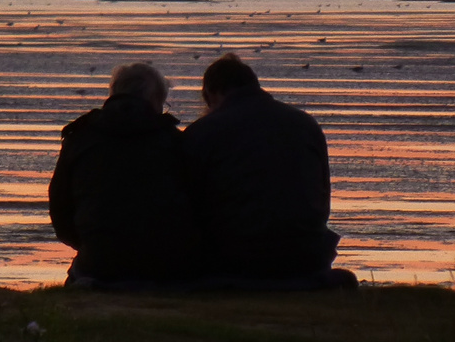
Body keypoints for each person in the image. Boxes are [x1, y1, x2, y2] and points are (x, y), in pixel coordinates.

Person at [182, 53, 346, 283]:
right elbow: (322, 198)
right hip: (307, 255)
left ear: (211, 93)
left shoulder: (202, 132)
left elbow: (188, 206)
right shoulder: (304, 124)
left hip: (234, 259)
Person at [47, 62, 201, 284]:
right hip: (164, 265)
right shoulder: (174, 141)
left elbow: (60, 210)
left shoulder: (79, 138)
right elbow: (196, 203)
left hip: (98, 262)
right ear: (156, 100)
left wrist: (89, 242)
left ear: (115, 93)